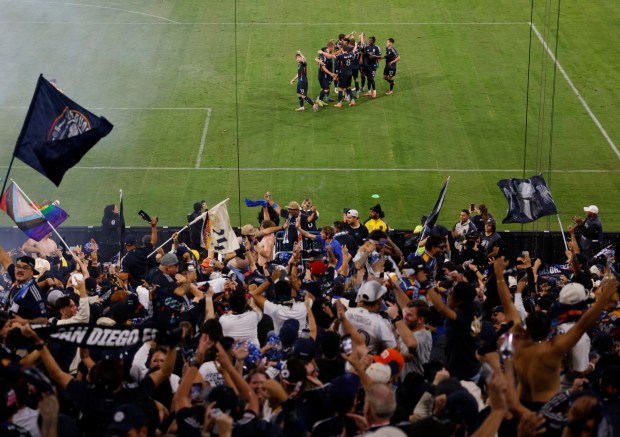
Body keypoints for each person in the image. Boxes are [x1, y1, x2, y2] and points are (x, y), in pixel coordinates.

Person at [315, 41, 337, 106]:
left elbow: (332, 55)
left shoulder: (328, 52)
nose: (334, 48)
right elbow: (323, 68)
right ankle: (319, 99)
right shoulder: (324, 56)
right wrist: (331, 73)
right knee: (326, 89)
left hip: (327, 73)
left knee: (327, 87)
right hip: (323, 74)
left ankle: (322, 99)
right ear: (331, 47)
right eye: (333, 47)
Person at [361, 33, 381, 99]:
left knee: (371, 78)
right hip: (367, 66)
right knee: (368, 78)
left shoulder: (377, 48)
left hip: (373, 66)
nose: (369, 41)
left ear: (374, 41)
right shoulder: (366, 47)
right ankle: (369, 91)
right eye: (369, 40)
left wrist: (374, 56)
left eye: (371, 40)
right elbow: (364, 54)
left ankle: (374, 91)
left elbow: (380, 56)